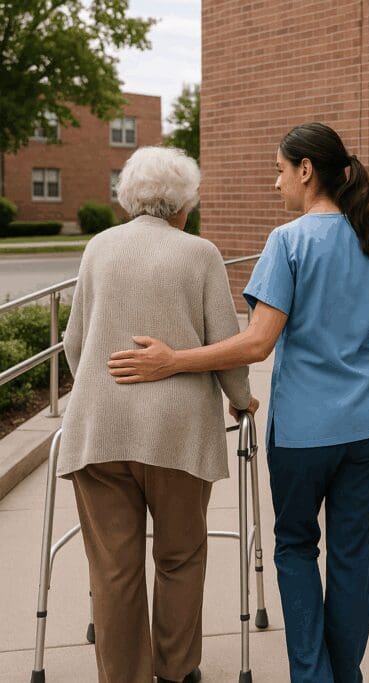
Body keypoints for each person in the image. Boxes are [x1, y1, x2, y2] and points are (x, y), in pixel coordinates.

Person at [106, 122, 369, 683]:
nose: (275, 184)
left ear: (305, 170)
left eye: (278, 170)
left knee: (296, 548)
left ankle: (312, 677)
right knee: (352, 554)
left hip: (303, 433)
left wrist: (173, 360)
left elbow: (257, 341)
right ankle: (346, 675)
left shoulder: (288, 242)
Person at [59, 146, 255, 683]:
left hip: (100, 432)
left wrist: (101, 387)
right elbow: (227, 343)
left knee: (115, 570)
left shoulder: (98, 248)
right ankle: (176, 671)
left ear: (128, 198)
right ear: (183, 203)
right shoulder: (200, 254)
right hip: (179, 434)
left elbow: (74, 344)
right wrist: (242, 399)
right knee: (180, 557)